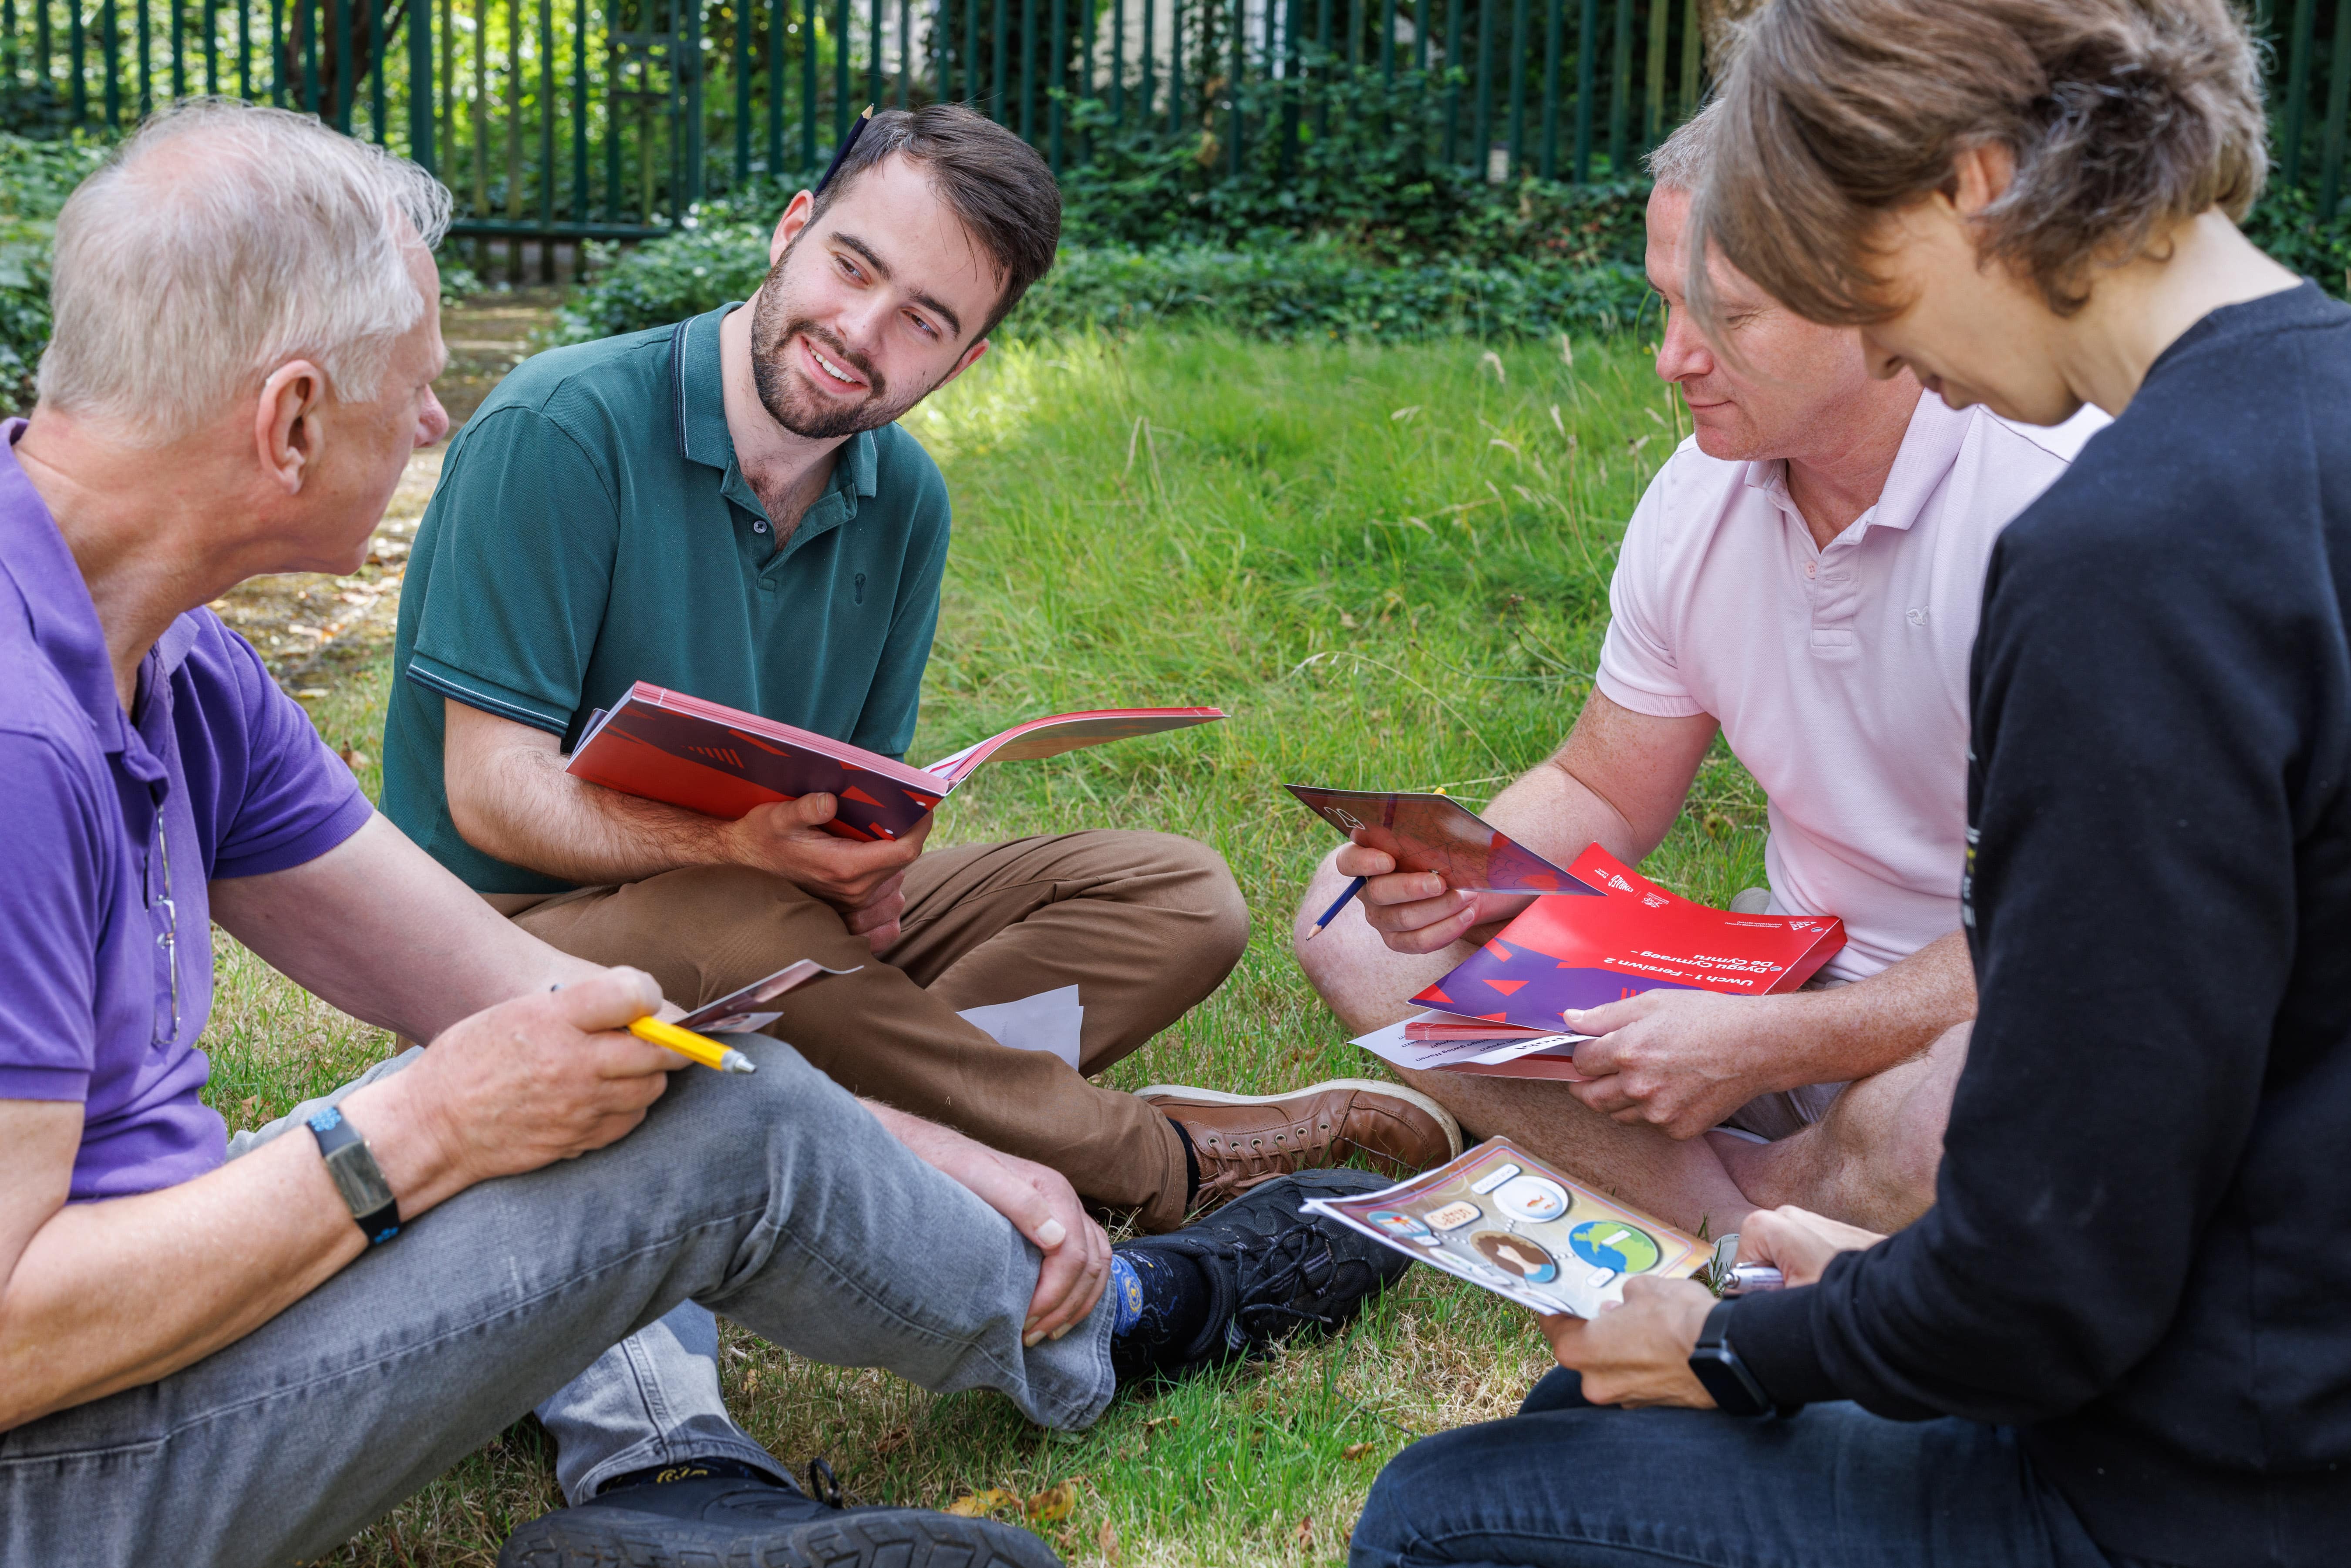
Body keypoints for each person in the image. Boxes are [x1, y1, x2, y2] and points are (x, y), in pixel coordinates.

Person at [0, 100, 1412, 1568]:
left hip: (161, 1296)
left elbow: (496, 987)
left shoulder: (178, 663)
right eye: (415, 388)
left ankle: (1034, 1327)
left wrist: (950, 1155)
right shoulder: (19, 742)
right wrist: (417, 1127)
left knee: (691, 1083)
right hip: (66, 1468)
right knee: (698, 1101)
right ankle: (1122, 1319)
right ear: (292, 418)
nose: (434, 423)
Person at [1351, 3, 2351, 1565]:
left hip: (2189, 1479)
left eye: (1836, 261)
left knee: (1444, 1513)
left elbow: (2047, 1288)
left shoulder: (2120, 555)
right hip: (2262, 1355)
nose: (1875, 341)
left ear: (1968, 185)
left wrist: (1743, 1339)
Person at [1295, 99, 2100, 1237]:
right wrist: (1469, 875)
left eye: (1722, 316)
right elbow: (1607, 787)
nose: (1671, 358)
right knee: (1344, 913)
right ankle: (1757, 1212)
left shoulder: (2061, 503)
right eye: (1666, 302)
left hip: (1978, 1011)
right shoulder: (1699, 493)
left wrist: (1772, 1044)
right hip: (1771, 990)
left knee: (1981, 1101)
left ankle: (1715, 1197)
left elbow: (2086, 925)